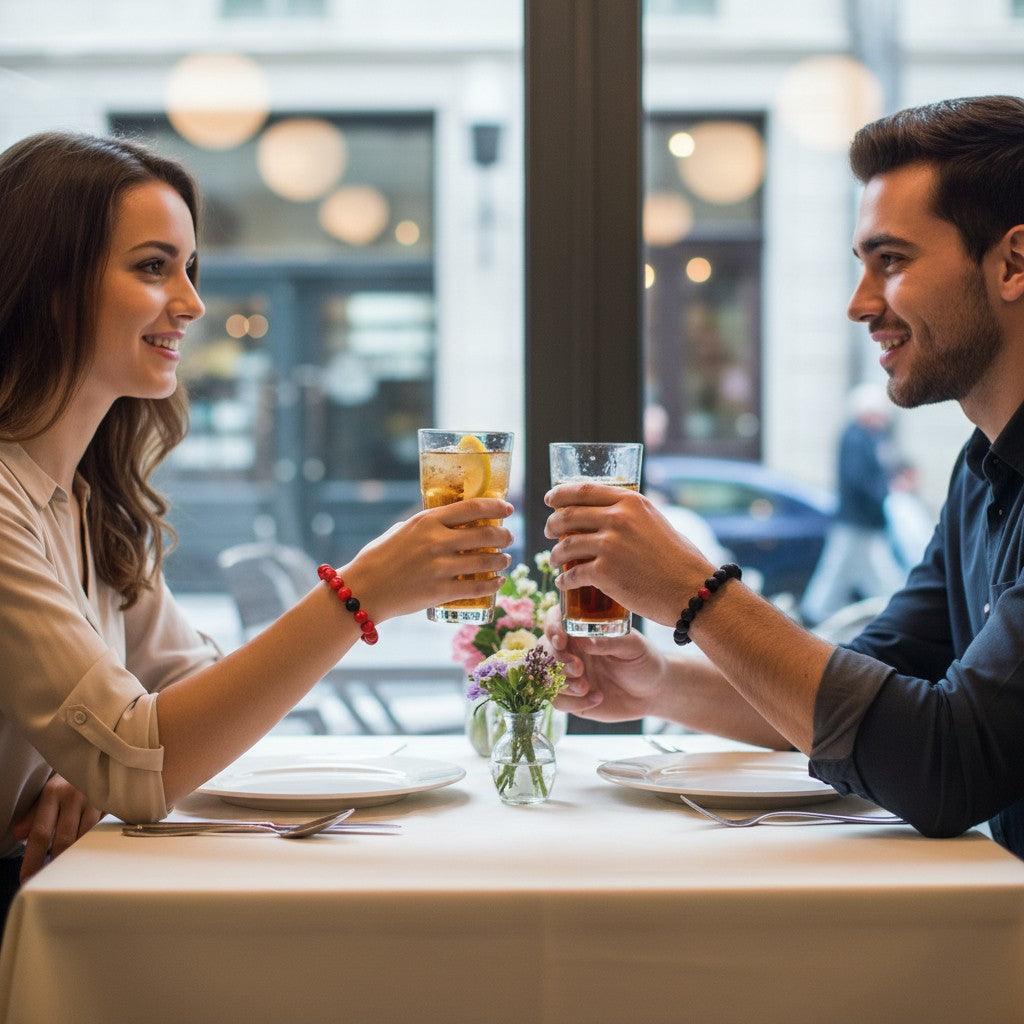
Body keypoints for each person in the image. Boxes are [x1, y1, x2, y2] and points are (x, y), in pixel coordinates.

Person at [0, 130, 513, 930]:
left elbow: (176, 697)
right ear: (48, 285)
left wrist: (101, 764)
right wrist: (360, 592)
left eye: (190, 268)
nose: (194, 303)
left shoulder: (91, 499)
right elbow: (146, 755)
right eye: (151, 266)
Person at [543, 94, 1024, 858]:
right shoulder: (984, 465)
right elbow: (867, 689)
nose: (859, 304)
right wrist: (661, 683)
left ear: (1012, 263)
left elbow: (945, 767)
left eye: (891, 261)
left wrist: (696, 595)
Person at [799, 382, 907, 626]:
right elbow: (860, 478)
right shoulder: (857, 438)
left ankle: (818, 612)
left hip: (859, 519)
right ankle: (896, 610)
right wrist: (882, 494)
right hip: (860, 519)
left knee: (854, 570)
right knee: (856, 570)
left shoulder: (862, 437)